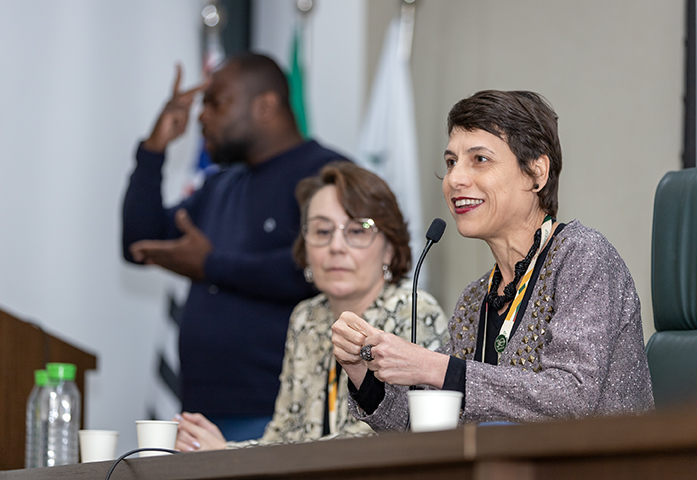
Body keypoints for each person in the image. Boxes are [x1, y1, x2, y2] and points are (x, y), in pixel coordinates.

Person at [331, 90, 654, 430]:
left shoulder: (583, 257)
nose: (455, 179)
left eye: (479, 159)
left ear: (536, 173)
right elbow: (425, 427)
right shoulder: (475, 299)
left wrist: (433, 366)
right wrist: (361, 372)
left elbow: (571, 397)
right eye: (451, 162)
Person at [122, 53, 347, 441]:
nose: (201, 116)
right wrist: (153, 151)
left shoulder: (327, 176)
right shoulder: (219, 186)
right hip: (199, 412)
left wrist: (211, 266)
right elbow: (139, 243)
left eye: (216, 102)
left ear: (265, 105)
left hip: (280, 412)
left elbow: (315, 270)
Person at [172, 162, 448, 450]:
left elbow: (379, 442)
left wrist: (227, 454)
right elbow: (283, 435)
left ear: (389, 249)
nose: (336, 246)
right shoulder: (307, 318)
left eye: (357, 230)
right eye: (322, 231)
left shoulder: (412, 310)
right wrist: (222, 450)